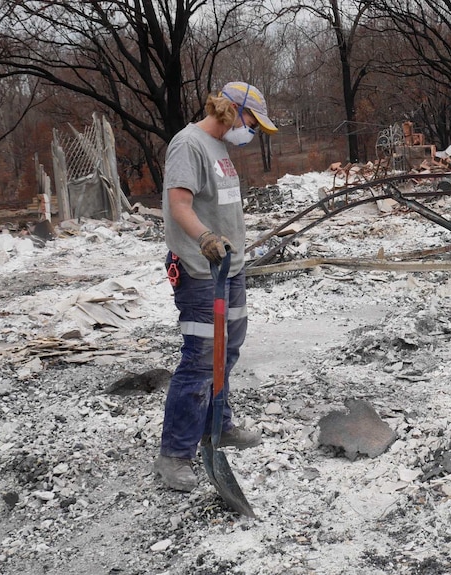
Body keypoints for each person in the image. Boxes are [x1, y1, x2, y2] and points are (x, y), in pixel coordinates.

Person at [154, 82, 278, 492]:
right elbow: (179, 205)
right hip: (200, 270)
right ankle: (174, 455)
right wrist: (206, 238)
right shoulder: (188, 145)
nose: (252, 131)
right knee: (201, 358)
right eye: (251, 122)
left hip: (231, 268)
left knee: (229, 348)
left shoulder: (220, 148)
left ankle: (218, 426)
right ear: (230, 110)